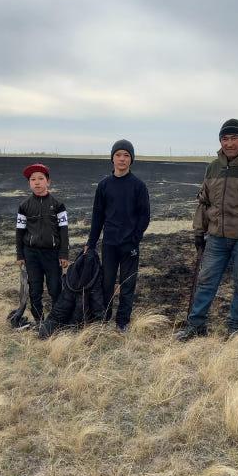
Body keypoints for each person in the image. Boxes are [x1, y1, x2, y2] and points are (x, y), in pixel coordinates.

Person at [176, 119, 238, 341]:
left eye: (234, 138)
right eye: (224, 139)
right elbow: (204, 202)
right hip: (216, 239)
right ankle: (196, 325)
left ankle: (235, 328)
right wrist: (198, 232)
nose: (229, 143)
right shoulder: (213, 167)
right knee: (205, 281)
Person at [85, 139, 150, 332]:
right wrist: (91, 241)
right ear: (112, 158)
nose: (122, 159)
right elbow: (98, 216)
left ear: (131, 160)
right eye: (118, 155)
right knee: (107, 282)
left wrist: (134, 240)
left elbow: (144, 216)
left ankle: (123, 322)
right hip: (110, 244)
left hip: (129, 245)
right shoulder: (104, 185)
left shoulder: (139, 186)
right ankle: (104, 317)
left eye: (126, 155)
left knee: (128, 284)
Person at [16, 163, 69, 325]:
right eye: (33, 179)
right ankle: (39, 321)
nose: (37, 182)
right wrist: (20, 255)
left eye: (40, 179)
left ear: (48, 182)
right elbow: (19, 232)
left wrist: (63, 254)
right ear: (29, 183)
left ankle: (56, 320)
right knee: (35, 289)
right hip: (31, 255)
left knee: (55, 288)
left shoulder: (58, 205)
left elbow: (63, 231)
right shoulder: (24, 206)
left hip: (52, 255)